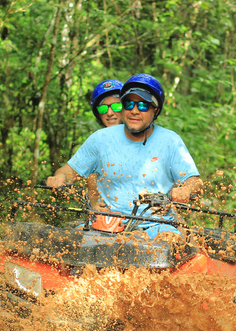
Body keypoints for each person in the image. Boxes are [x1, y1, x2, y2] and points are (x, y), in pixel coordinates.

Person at [46, 73, 202, 241]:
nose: (134, 110)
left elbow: (194, 181)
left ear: (155, 110)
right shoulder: (100, 139)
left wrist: (186, 189)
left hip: (154, 226)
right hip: (104, 224)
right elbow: (68, 171)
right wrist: (59, 177)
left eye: (143, 105)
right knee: (66, 243)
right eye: (129, 104)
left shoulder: (170, 141)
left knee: (168, 245)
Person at [87, 79, 124, 208]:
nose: (109, 113)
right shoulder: (97, 142)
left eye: (116, 106)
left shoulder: (145, 137)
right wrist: (95, 204)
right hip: (108, 213)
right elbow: (91, 178)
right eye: (103, 108)